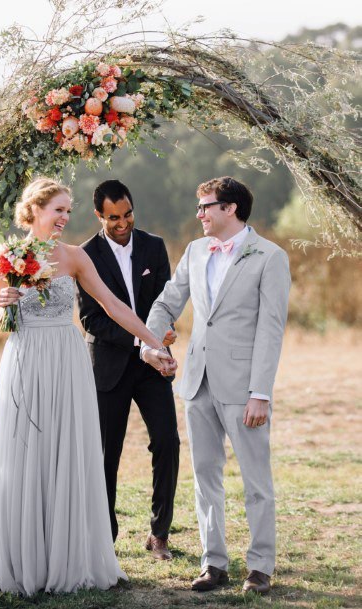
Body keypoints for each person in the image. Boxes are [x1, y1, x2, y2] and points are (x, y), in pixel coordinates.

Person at [0, 177, 175, 596]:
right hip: (26, 360)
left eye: (69, 210)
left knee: (66, 453)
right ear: (35, 211)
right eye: (59, 210)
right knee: (27, 454)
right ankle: (24, 554)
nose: (66, 217)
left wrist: (152, 341)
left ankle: (68, 554)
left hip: (66, 362)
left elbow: (113, 306)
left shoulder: (76, 257)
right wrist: (4, 306)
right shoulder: (6, 256)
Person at [142, 176, 290, 595]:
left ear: (231, 208)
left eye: (206, 206)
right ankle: (214, 563)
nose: (200, 214)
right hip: (197, 382)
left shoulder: (270, 257)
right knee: (205, 476)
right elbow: (167, 302)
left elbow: (271, 330)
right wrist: (152, 343)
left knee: (256, 481)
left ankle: (260, 566)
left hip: (245, 388)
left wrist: (260, 391)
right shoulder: (195, 250)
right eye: (198, 207)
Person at [76, 180, 180, 560]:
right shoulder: (86, 255)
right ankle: (106, 539)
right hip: (110, 366)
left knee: (167, 442)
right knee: (107, 454)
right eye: (114, 217)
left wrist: (165, 336)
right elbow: (92, 321)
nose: (123, 223)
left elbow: (163, 303)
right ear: (99, 216)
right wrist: (144, 344)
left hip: (153, 366)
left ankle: (160, 533)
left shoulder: (154, 245)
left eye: (128, 213)